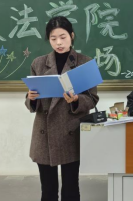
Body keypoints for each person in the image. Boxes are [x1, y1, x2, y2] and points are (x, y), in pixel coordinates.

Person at [25, 16, 99, 201]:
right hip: (44, 133)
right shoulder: (38, 63)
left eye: (63, 37)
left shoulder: (85, 63)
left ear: (71, 36)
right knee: (48, 189)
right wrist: (31, 98)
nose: (58, 42)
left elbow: (92, 99)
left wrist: (76, 100)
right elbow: (32, 102)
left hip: (71, 131)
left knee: (71, 188)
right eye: (53, 38)